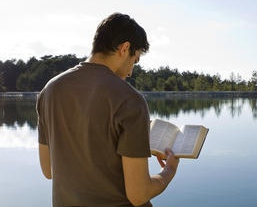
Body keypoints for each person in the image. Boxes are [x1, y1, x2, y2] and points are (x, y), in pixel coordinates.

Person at [36, 12, 179, 207]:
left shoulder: (49, 90)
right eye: (134, 61)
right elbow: (139, 194)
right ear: (125, 48)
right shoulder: (129, 99)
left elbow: (49, 170)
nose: (130, 72)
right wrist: (169, 171)